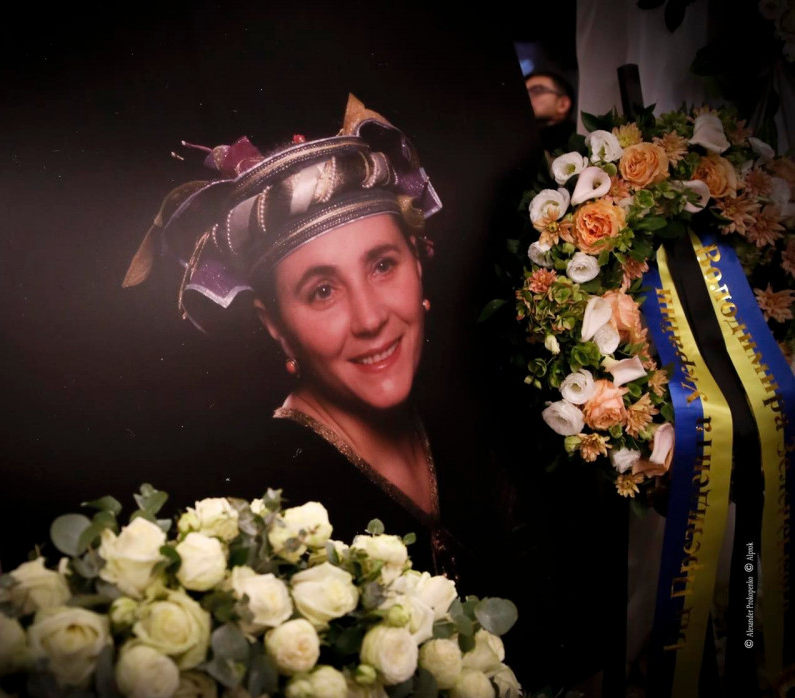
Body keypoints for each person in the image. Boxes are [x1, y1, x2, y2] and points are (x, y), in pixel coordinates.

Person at [123, 94, 504, 588]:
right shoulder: (272, 507)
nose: (370, 319)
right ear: (275, 325)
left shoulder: (464, 420)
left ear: (417, 261)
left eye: (382, 266)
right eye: (322, 291)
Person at [525, 70, 576, 153]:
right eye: (524, 92)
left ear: (563, 104)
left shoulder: (577, 144)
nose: (526, 97)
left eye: (537, 91)